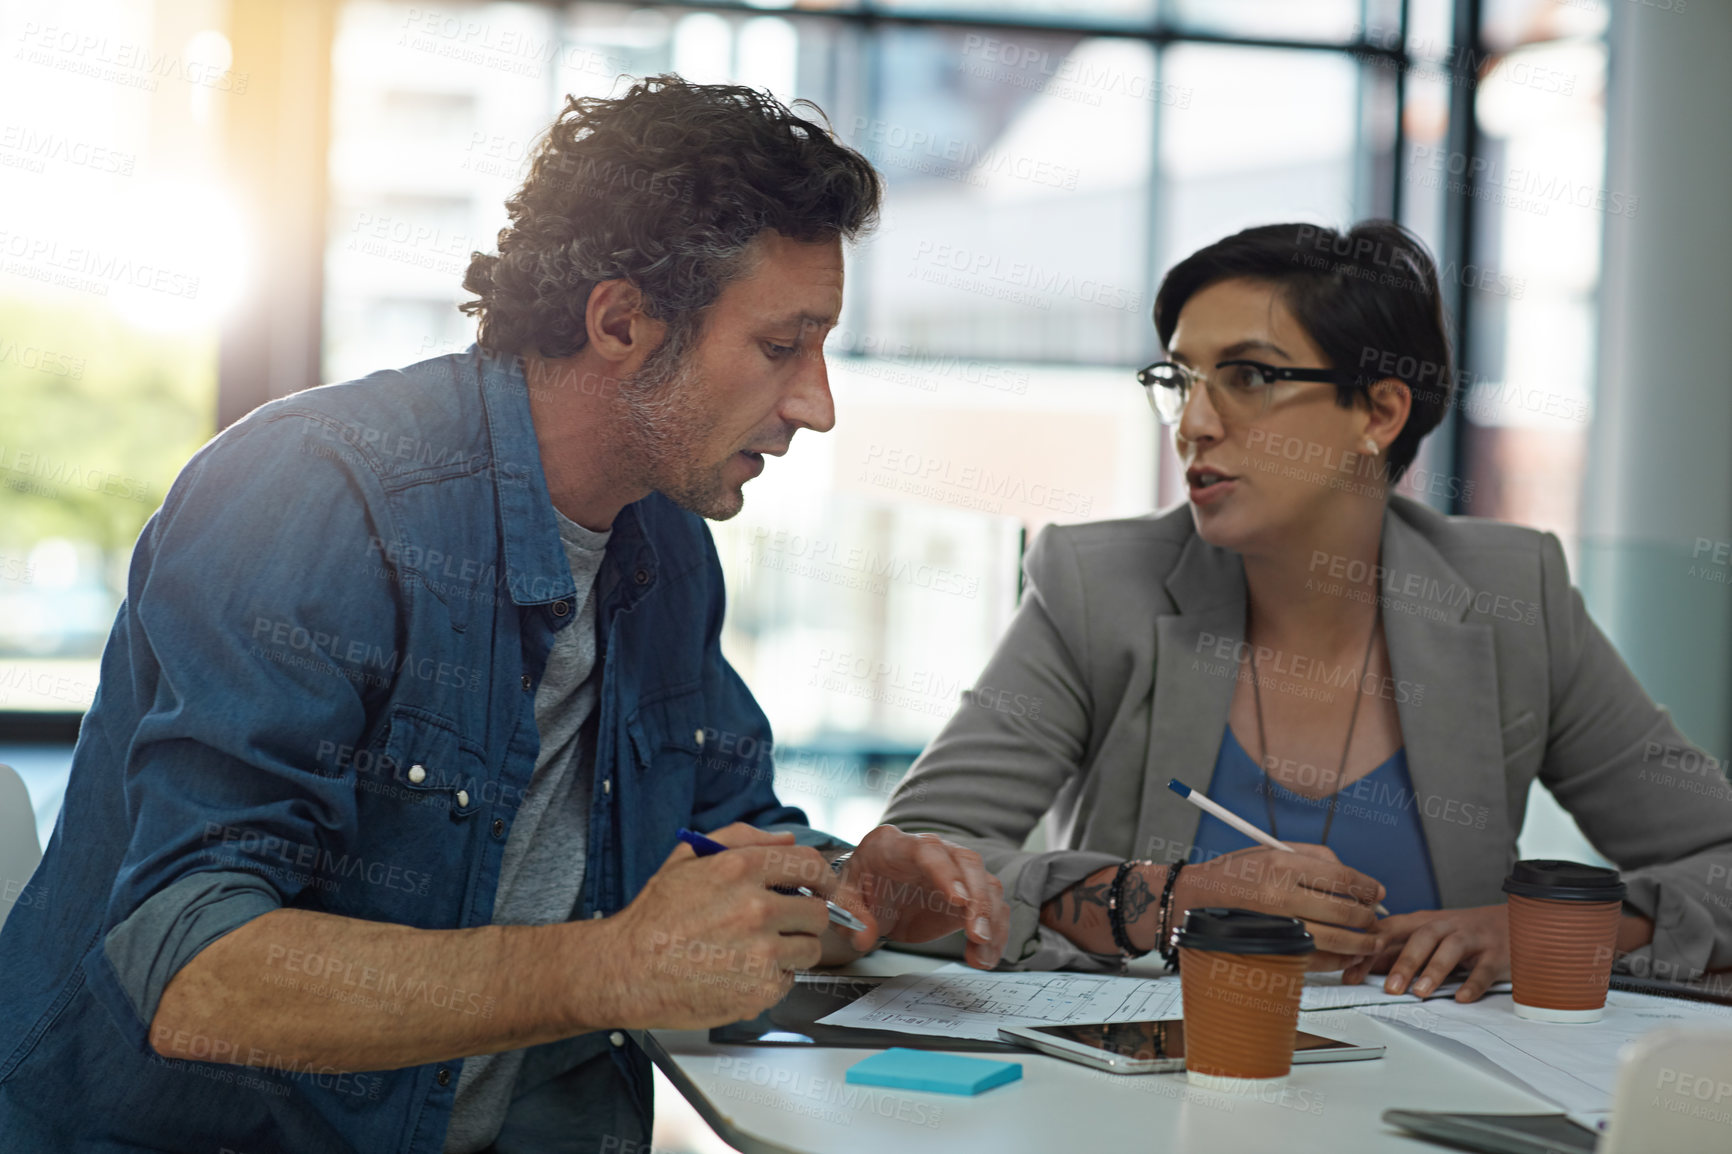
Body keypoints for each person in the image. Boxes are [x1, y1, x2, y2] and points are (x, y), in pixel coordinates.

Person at [0, 76, 1008, 1154]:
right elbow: (193, 971)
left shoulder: (665, 547)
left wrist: (857, 889)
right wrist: (607, 964)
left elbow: (719, 838)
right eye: (779, 346)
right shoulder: (314, 493)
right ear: (620, 321)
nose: (817, 403)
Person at [882, 220, 1732, 1000]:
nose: (1195, 424)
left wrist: (1548, 932)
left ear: (1379, 411)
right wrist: (1171, 903)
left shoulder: (1512, 596)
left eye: (1248, 377)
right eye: (1181, 381)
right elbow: (906, 869)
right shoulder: (1098, 586)